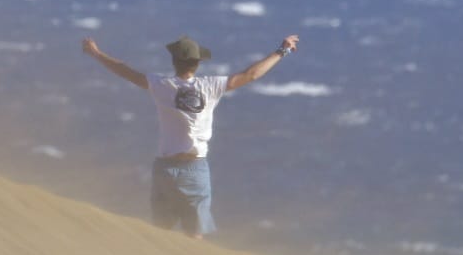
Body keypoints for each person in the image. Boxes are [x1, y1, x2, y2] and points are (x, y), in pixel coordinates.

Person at [81, 33, 300, 238]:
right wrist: (282, 51)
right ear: (198, 63)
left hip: (164, 168)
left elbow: (125, 71)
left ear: (174, 62)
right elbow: (251, 74)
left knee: (160, 233)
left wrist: (96, 53)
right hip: (194, 169)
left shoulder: (162, 86)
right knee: (194, 236)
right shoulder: (211, 86)